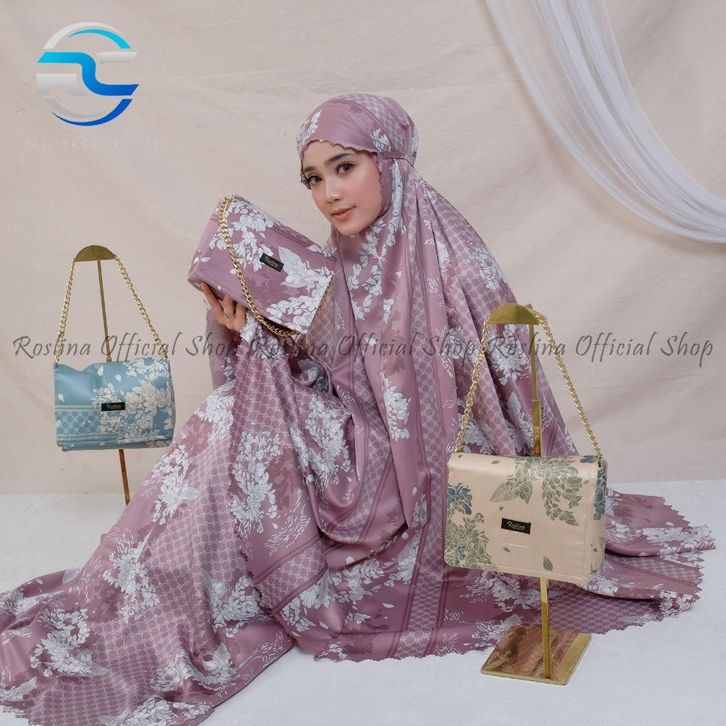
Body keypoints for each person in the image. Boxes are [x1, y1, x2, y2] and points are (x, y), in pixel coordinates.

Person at [0, 93, 715, 725]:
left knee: (229, 425)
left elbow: (499, 392)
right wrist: (251, 333)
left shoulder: (452, 259)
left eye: (344, 167)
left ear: (389, 160)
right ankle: (132, 600)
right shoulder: (338, 258)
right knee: (229, 422)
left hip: (412, 475)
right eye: (313, 178)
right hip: (350, 446)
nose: (329, 194)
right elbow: (326, 374)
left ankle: (146, 602)